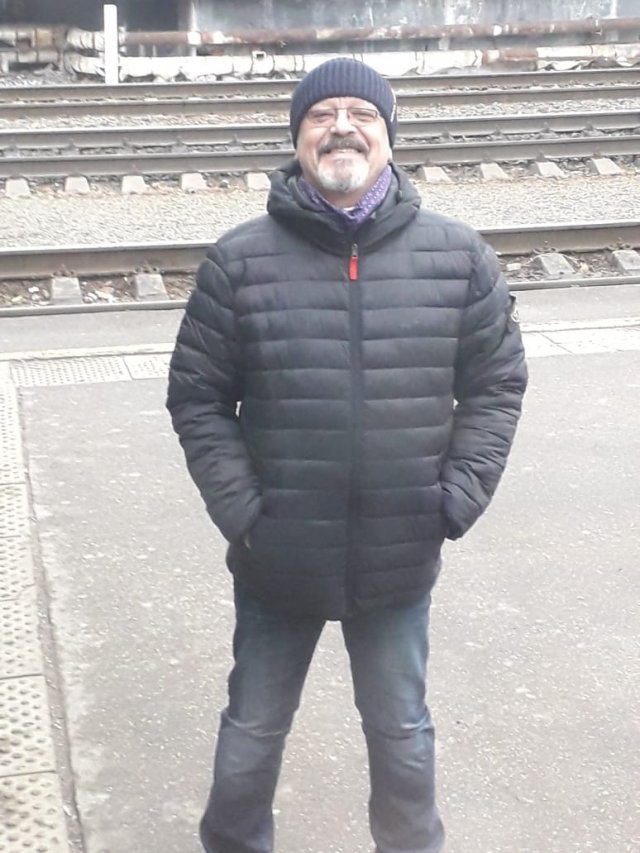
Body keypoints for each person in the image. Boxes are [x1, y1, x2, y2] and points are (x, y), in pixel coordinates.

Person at [166, 57, 528, 853]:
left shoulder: (458, 256)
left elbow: (497, 384)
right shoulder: (239, 261)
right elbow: (197, 398)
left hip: (400, 551)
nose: (341, 128)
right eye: (321, 114)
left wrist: (455, 497)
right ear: (297, 138)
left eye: (362, 114)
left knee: (402, 729)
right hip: (278, 553)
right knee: (253, 728)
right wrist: (244, 511)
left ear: (388, 136)